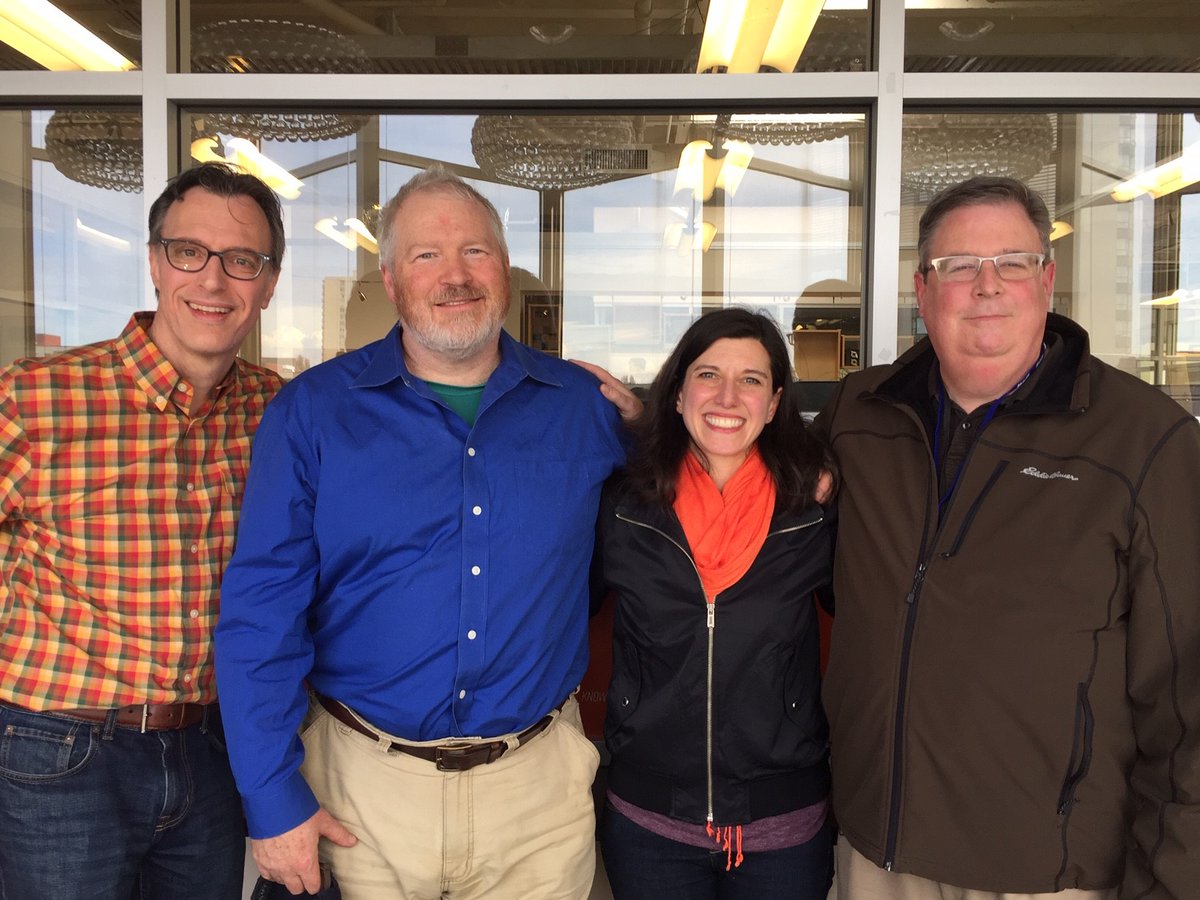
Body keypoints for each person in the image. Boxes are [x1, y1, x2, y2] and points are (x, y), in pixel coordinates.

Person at [214, 168, 638, 899]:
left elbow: (687, 489)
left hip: (536, 794)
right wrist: (272, 796)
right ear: (389, 277)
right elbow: (261, 614)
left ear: (503, 269)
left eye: (475, 251)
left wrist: (795, 464)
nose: (455, 276)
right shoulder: (313, 412)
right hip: (362, 791)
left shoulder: (583, 408)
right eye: (425, 256)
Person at [814, 175, 1200, 899]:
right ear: (923, 289)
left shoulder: (1146, 442)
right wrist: (634, 423)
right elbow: (756, 482)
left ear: (1047, 279)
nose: (986, 285)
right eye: (959, 266)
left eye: (1012, 262)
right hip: (877, 854)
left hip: (1042, 872)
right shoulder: (860, 414)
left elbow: (1185, 699)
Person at [0, 161, 284, 898]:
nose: (214, 282)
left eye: (242, 261)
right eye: (191, 252)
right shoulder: (36, 398)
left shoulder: (280, 411)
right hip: (59, 748)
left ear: (269, 282)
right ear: (156, 262)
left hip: (210, 745)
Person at [593, 308, 836, 900]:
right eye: (708, 375)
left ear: (775, 402)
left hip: (783, 819)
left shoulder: (816, 506)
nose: (728, 396)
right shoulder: (624, 504)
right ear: (677, 395)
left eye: (751, 379)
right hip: (650, 819)